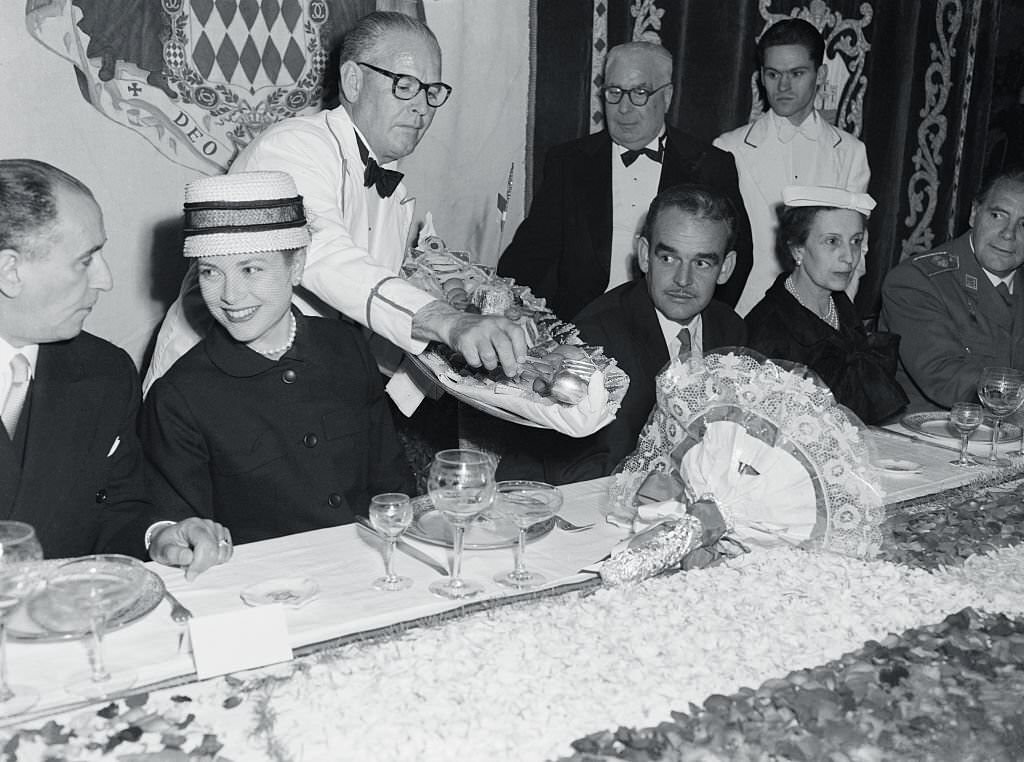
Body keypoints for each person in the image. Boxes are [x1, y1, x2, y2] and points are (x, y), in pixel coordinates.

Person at [144, 11, 527, 397]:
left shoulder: (389, 181)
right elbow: (322, 254)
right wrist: (446, 322)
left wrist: (447, 380)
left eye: (432, 91)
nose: (422, 108)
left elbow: (363, 310)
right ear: (353, 80)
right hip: (214, 389)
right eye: (405, 85)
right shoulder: (293, 146)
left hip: (303, 387)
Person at [141, 172, 414, 545]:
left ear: (297, 265)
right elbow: (180, 526)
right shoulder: (178, 397)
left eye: (251, 269)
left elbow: (391, 479)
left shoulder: (346, 347)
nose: (231, 296)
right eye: (210, 272)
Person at [0, 159, 230, 575]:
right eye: (86, 261)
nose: (105, 280)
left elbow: (117, 505)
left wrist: (158, 535)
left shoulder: (104, 372)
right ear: (9, 271)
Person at [499, 184, 747, 484]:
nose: (683, 280)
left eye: (702, 262)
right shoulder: (594, 338)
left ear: (726, 267)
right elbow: (571, 471)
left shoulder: (730, 328)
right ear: (644, 256)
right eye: (668, 258)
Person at [496, 41, 752, 320]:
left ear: (667, 97)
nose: (624, 109)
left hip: (671, 324)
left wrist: (701, 323)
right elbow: (529, 255)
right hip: (581, 326)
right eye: (614, 93)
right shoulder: (568, 162)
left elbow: (736, 257)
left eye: (639, 93)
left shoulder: (710, 165)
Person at [714, 18, 870, 317]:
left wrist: (832, 318)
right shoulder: (728, 149)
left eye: (796, 73)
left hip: (821, 316)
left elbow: (856, 251)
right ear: (761, 76)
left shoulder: (850, 152)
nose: (783, 86)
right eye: (773, 74)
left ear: (820, 74)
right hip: (745, 314)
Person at [746, 186, 907, 425]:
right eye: (832, 242)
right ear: (797, 249)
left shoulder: (841, 307)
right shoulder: (767, 328)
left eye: (855, 241)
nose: (849, 257)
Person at [881, 169, 1024, 410]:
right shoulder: (916, 281)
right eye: (998, 215)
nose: (1008, 234)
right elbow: (943, 375)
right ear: (974, 214)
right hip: (933, 435)